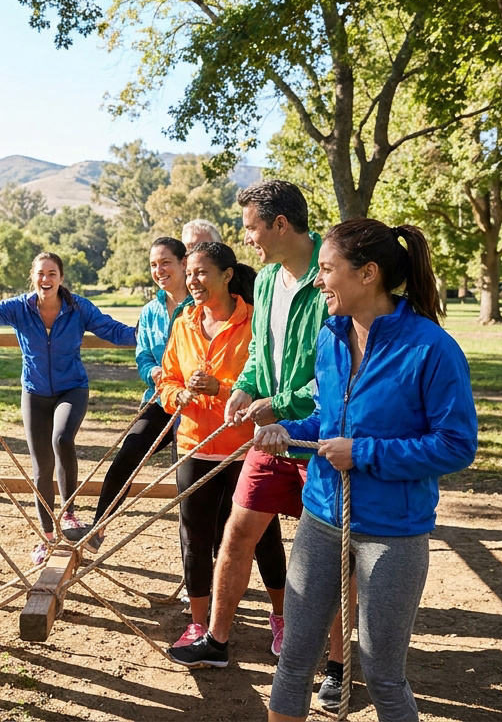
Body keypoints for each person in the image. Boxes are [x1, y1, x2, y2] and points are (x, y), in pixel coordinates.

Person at [258, 219, 477, 721]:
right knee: (293, 661)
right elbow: (329, 419)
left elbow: (456, 445)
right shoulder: (330, 337)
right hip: (320, 517)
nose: (318, 281)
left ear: (368, 274)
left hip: (393, 534)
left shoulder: (432, 349)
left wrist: (364, 454)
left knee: (382, 675)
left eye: (328, 269)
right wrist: (289, 432)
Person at [167, 180, 336, 676]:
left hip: (317, 435)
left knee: (323, 550)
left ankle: (334, 665)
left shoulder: (330, 274)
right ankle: (217, 640)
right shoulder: (264, 282)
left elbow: (332, 371)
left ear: (279, 224)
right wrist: (244, 386)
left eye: (250, 228)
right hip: (269, 434)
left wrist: (275, 403)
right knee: (238, 534)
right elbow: (263, 354)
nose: (247, 240)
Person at [155, 242, 285, 650]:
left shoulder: (254, 323)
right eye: (189, 273)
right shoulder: (183, 323)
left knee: (263, 537)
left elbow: (266, 386)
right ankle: (199, 625)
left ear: (227, 275)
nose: (192, 280)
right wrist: (179, 396)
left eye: (201, 272)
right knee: (193, 536)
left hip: (247, 449)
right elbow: (167, 380)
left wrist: (222, 388)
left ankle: (281, 617)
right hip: (195, 444)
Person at [0, 252, 137, 564]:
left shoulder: (78, 307)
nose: (46, 279)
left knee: (62, 439)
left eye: (52, 273)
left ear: (61, 278)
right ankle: (46, 537)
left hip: (72, 388)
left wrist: (149, 334)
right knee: (40, 467)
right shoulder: (19, 308)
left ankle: (69, 513)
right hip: (34, 393)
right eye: (40, 273)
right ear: (33, 277)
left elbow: (113, 330)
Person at [64, 237, 191, 553]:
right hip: (160, 398)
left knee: (189, 484)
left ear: (184, 263)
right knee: (128, 454)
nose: (159, 270)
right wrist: (153, 372)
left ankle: (208, 564)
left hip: (195, 407)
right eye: (153, 264)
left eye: (165, 262)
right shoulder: (150, 311)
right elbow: (144, 354)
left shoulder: (202, 305)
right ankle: (98, 528)